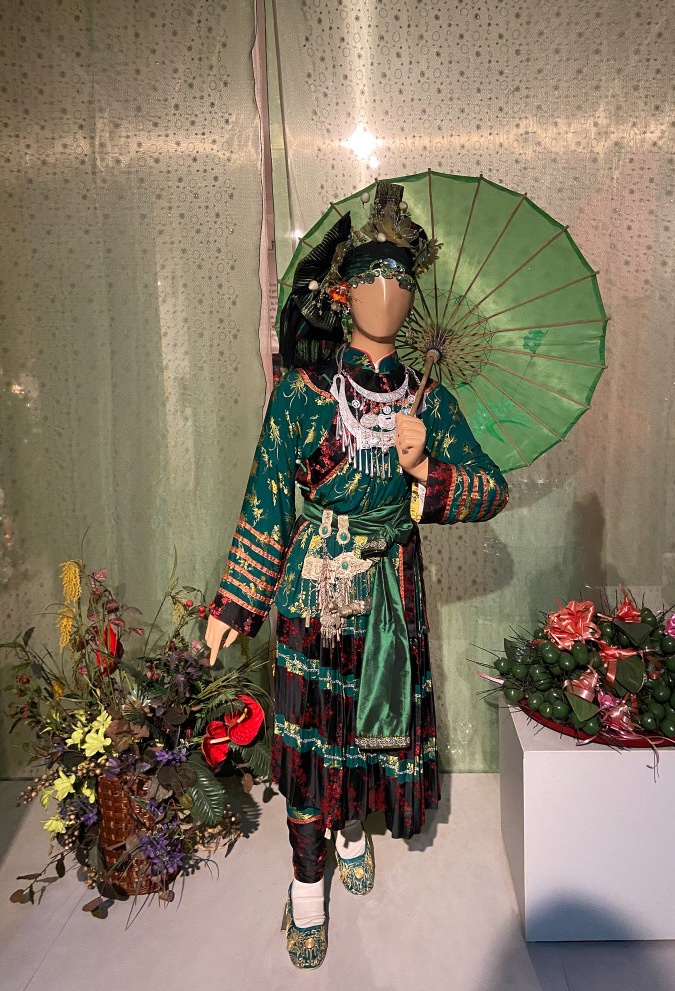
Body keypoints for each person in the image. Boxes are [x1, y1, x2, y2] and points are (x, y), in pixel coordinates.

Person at [204, 181, 508, 969]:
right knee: (313, 732)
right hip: (315, 584)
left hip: (392, 586)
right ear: (343, 291)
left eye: (402, 278)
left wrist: (425, 469)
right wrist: (236, 602)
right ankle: (306, 888)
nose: (388, 293)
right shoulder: (303, 395)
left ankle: (349, 832)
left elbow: (491, 488)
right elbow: (267, 495)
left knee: (372, 725)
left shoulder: (429, 402)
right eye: (372, 276)